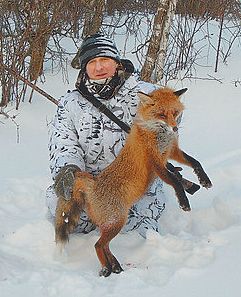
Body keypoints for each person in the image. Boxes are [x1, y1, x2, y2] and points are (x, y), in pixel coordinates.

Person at [46, 33, 165, 237]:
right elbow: (64, 144)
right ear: (85, 68)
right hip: (93, 185)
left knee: (134, 236)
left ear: (116, 63)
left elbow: (171, 115)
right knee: (61, 207)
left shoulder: (144, 94)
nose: (99, 67)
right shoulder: (70, 103)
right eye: (92, 62)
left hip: (132, 184)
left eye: (104, 60)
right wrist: (68, 170)